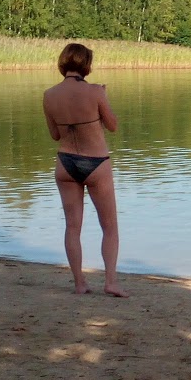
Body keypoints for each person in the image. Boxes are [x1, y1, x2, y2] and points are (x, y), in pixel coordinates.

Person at [43, 43, 128, 297]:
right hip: (96, 163)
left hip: (65, 162)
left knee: (72, 226)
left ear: (63, 63)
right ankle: (110, 282)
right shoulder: (95, 91)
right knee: (110, 226)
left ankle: (80, 283)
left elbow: (55, 134)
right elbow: (112, 126)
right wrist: (103, 96)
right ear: (86, 64)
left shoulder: (49, 95)